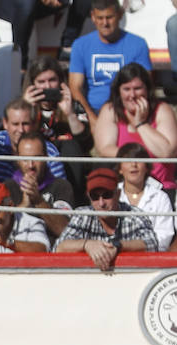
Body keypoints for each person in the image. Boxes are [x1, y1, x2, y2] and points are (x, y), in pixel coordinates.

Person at [92, 63, 177, 196]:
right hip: (123, 188)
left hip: (161, 188)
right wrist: (139, 159)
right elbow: (105, 149)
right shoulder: (110, 110)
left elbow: (166, 152)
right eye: (126, 89)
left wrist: (141, 124)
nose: (132, 95)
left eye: (137, 88)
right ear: (118, 91)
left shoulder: (162, 110)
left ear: (147, 89)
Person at [56, 167, 159, 271]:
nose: (101, 203)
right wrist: (86, 244)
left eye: (107, 195)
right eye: (94, 196)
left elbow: (152, 244)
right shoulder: (82, 215)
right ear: (88, 197)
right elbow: (58, 247)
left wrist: (118, 246)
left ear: (118, 194)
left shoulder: (135, 215)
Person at [67, 0, 149, 124]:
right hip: (93, 111)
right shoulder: (80, 45)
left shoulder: (138, 44)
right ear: (93, 17)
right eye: (100, 18)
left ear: (120, 14)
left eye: (109, 17)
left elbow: (145, 84)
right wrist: (93, 121)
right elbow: (75, 87)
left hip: (126, 110)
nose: (105, 23)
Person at [22, 55, 90, 193]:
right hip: (34, 163)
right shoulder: (22, 106)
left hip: (70, 168)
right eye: (41, 82)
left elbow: (86, 143)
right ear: (32, 84)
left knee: (71, 146)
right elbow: (13, 139)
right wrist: (26, 110)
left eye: (52, 80)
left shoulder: (73, 106)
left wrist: (70, 113)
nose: (47, 86)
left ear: (60, 82)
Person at [12, 132, 73, 241]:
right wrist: (22, 207)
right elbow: (0, 231)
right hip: (15, 252)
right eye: (25, 159)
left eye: (36, 158)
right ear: (17, 159)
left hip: (51, 254)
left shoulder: (61, 186)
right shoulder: (8, 187)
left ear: (46, 157)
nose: (31, 165)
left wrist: (38, 200)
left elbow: (66, 231)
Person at [116, 142, 176, 251]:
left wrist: (131, 247)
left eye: (138, 159)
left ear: (147, 167)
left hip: (151, 259)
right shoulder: (109, 195)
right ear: (120, 168)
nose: (133, 164)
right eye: (128, 160)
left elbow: (164, 238)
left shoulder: (160, 197)